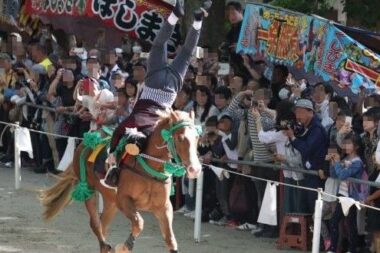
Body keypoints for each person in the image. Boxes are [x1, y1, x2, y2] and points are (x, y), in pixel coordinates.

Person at [104, 0, 213, 187]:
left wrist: (113, 149)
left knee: (120, 130)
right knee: (184, 51)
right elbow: (187, 50)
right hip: (167, 94)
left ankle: (113, 160)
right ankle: (197, 20)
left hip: (150, 105)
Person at [283, 99, 328, 213]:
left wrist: (293, 137)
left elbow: (307, 149)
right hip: (309, 173)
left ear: (310, 112)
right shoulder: (306, 127)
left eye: (300, 112)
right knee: (309, 206)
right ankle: (312, 229)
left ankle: (320, 230)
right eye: (296, 113)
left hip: (317, 174)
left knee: (316, 208)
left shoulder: (316, 128)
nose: (297, 116)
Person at [327, 133, 366, 253]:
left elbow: (343, 175)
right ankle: (334, 248)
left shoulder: (357, 162)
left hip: (351, 197)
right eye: (345, 143)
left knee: (350, 224)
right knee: (336, 222)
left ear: (356, 146)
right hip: (341, 194)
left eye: (349, 143)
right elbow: (334, 175)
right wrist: (333, 162)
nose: (346, 146)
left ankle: (351, 249)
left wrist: (338, 163)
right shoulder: (344, 159)